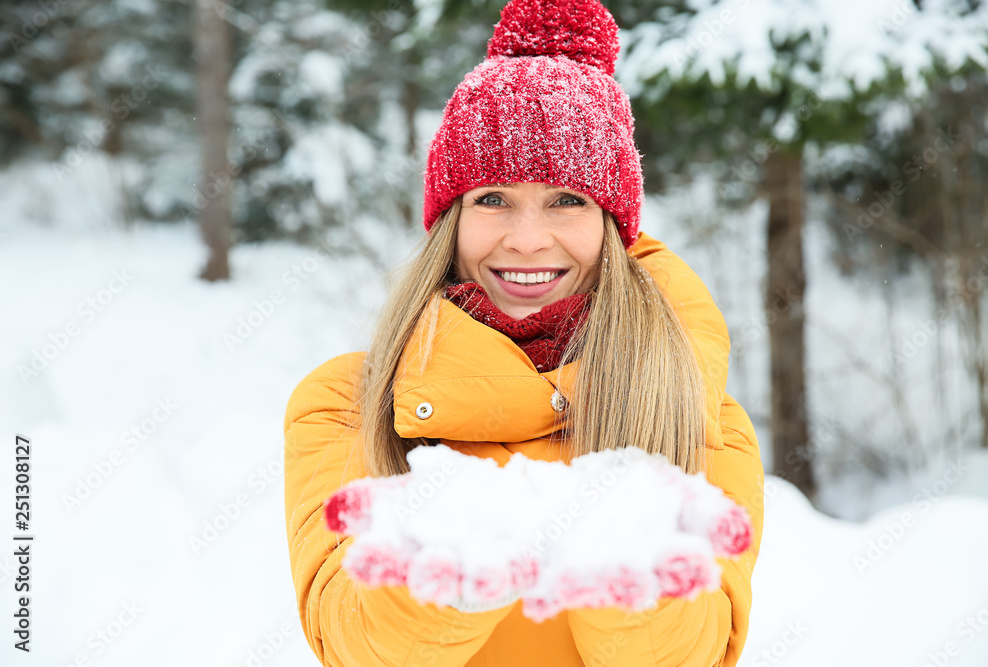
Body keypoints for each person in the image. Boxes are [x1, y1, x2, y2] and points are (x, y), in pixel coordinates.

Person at [283, 0, 764, 665]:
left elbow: (701, 652)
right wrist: (447, 581)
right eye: (492, 198)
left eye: (568, 199)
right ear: (449, 221)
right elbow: (349, 642)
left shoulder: (692, 406)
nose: (528, 239)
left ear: (612, 227)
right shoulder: (348, 402)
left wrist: (623, 578)